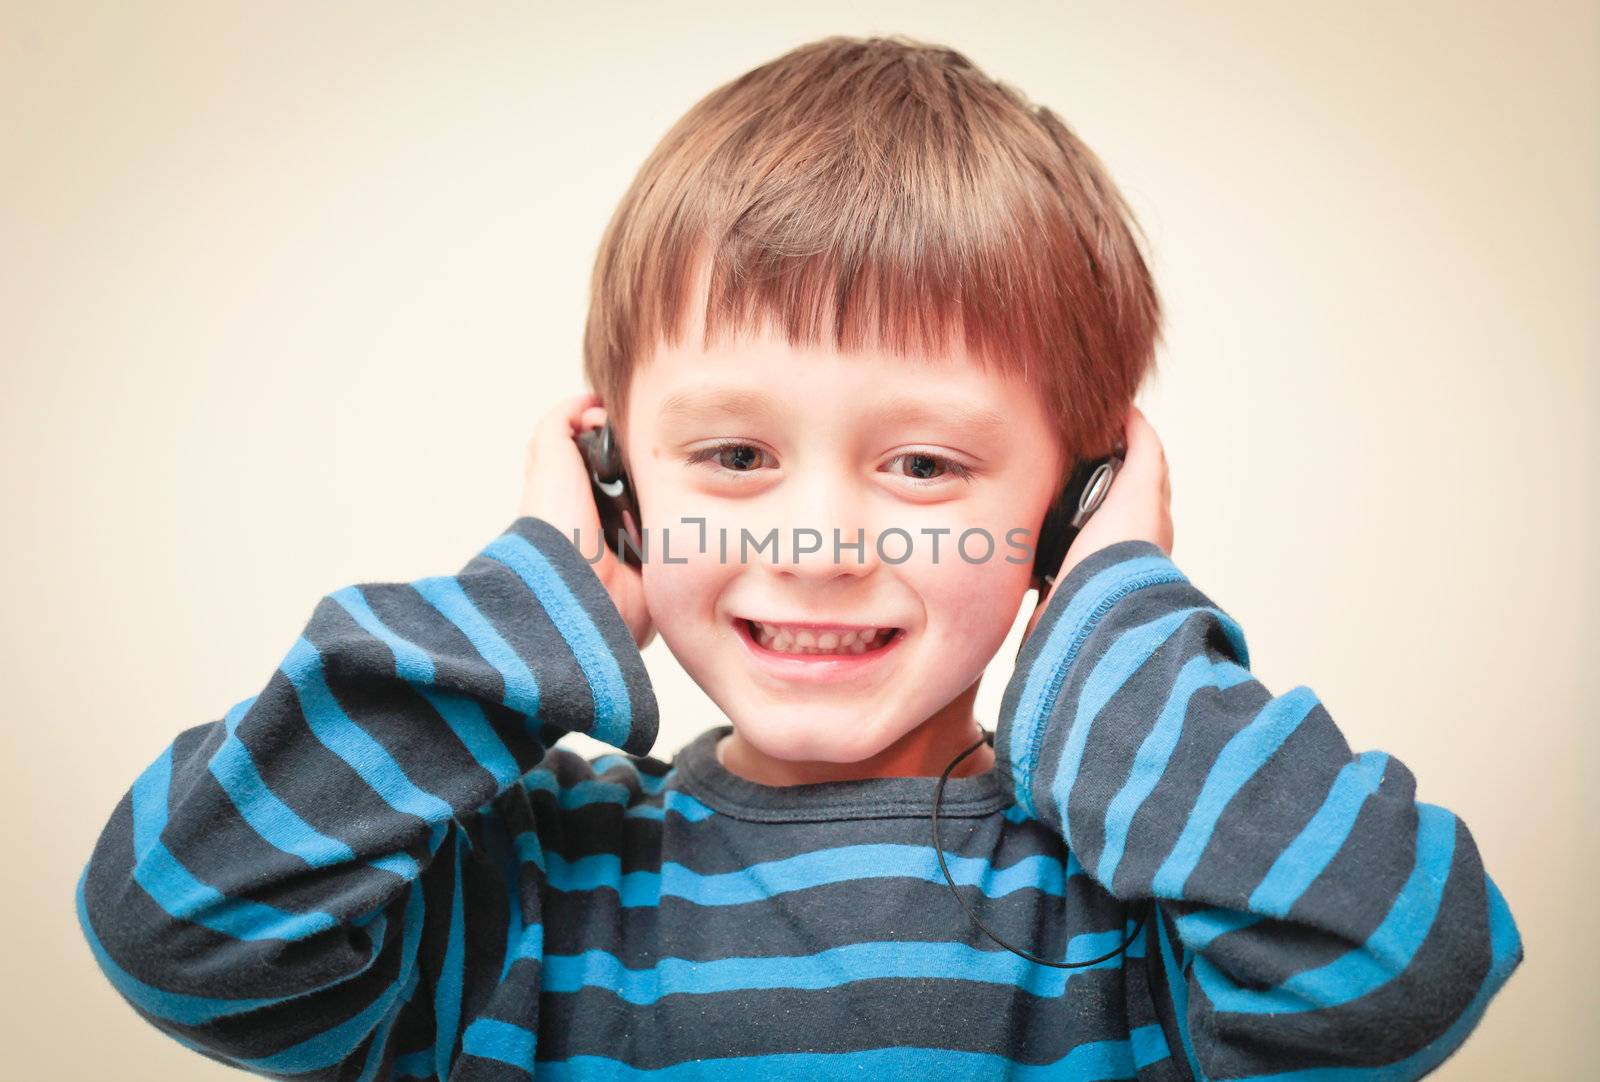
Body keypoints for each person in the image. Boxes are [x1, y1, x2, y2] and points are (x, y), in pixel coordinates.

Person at [76, 34, 1522, 1080]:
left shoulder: (1138, 899)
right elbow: (177, 923)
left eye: (923, 465)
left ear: (1073, 507)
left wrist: (1116, 622)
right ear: (615, 484)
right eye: (734, 457)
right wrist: (538, 604)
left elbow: (1401, 968)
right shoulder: (523, 892)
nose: (819, 543)